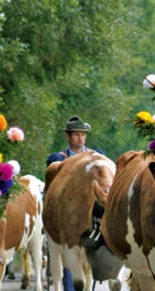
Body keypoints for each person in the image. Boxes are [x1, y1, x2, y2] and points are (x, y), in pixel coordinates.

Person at [45, 115, 103, 291]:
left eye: (83, 134)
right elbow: (49, 191)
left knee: (90, 258)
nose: (81, 138)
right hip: (66, 216)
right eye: (76, 134)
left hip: (89, 217)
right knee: (68, 259)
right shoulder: (58, 159)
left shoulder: (96, 157)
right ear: (68, 136)